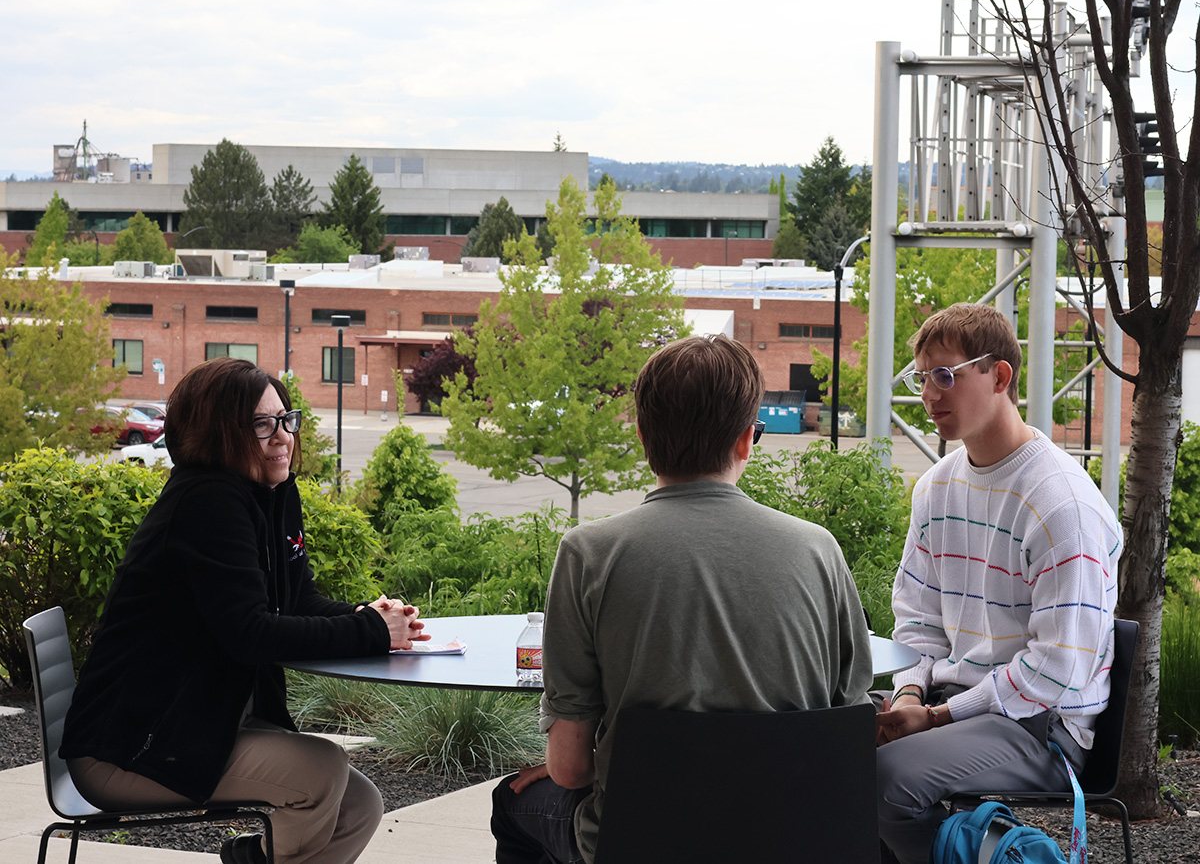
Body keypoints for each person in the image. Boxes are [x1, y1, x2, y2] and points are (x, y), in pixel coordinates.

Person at [490, 333, 874, 864]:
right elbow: (848, 734)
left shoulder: (588, 553)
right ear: (746, 440)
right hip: (795, 840)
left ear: (642, 436)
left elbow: (571, 769)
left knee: (510, 804)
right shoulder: (819, 550)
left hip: (638, 841)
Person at [60, 358, 429, 864]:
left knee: (359, 806)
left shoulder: (271, 494)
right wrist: (369, 630)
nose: (282, 437)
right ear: (218, 433)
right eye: (261, 424)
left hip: (202, 721)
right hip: (128, 748)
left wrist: (366, 615)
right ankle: (254, 858)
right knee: (322, 770)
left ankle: (256, 858)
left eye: (286, 419)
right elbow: (249, 634)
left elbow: (297, 602)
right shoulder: (207, 502)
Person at [875, 303, 1123, 864]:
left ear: (1000, 376)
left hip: (1043, 727)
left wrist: (935, 718)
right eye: (922, 378)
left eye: (945, 376)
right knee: (823, 742)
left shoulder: (1061, 504)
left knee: (885, 779)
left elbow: (1056, 669)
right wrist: (910, 694)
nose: (928, 395)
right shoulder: (936, 489)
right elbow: (917, 619)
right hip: (956, 702)